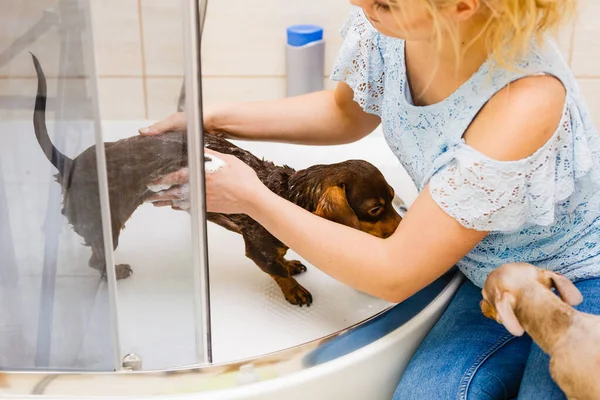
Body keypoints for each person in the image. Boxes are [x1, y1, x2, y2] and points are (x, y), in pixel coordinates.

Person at [139, 0, 600, 398]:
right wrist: (212, 116)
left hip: (579, 273)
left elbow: (393, 272)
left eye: (384, 1)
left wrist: (251, 198)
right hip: (477, 265)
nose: (359, 3)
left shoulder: (523, 100)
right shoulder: (397, 28)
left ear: (463, 7)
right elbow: (345, 112)